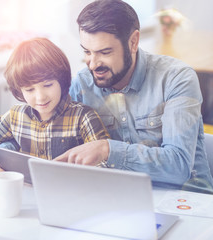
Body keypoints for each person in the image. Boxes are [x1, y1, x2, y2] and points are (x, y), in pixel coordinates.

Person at [54, 0, 213, 193]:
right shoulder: (82, 84)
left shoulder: (177, 78)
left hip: (187, 200)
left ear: (133, 42)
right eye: (87, 52)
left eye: (104, 52)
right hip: (121, 197)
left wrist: (107, 150)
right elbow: (48, 131)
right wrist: (7, 155)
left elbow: (178, 166)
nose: (93, 64)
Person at [0, 38, 110, 183]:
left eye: (48, 85)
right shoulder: (16, 116)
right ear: (19, 90)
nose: (40, 97)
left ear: (61, 80)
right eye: (29, 90)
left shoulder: (83, 117)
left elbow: (107, 169)